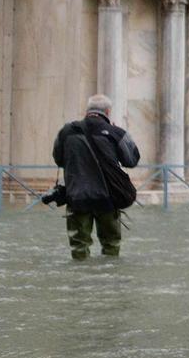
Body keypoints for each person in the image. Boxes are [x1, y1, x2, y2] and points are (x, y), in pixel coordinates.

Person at [52, 94, 140, 260]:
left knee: (78, 247)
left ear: (87, 110)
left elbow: (58, 158)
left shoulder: (66, 132)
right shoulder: (115, 133)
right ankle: (107, 282)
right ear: (108, 111)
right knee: (111, 245)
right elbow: (132, 160)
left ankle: (80, 281)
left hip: (76, 198)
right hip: (107, 199)